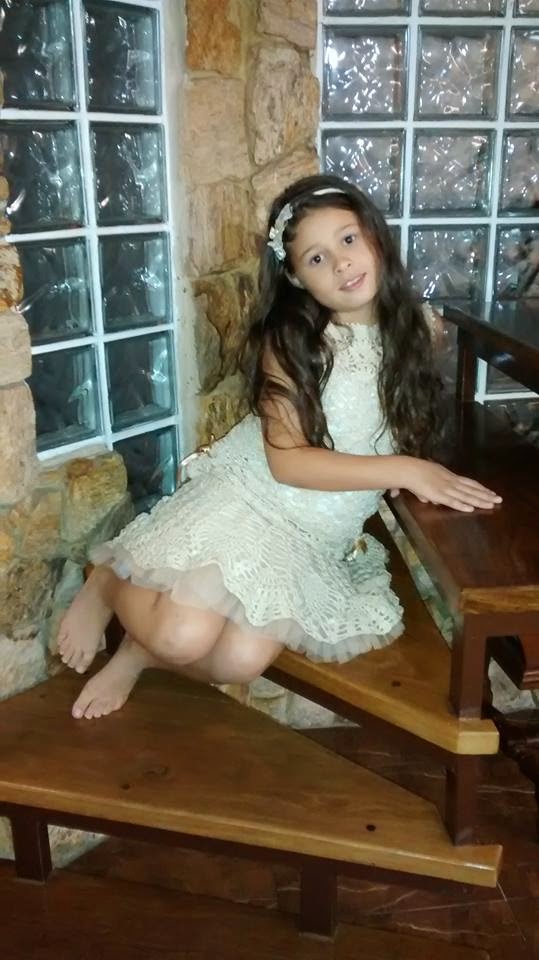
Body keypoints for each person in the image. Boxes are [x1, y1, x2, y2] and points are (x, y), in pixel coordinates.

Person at [57, 174, 501, 720]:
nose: (340, 263)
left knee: (239, 662)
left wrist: (416, 464)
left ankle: (137, 652)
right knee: (181, 634)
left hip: (314, 536)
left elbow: (395, 418)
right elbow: (287, 462)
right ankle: (107, 583)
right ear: (295, 277)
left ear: (375, 236)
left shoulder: (420, 329)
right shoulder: (296, 344)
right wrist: (407, 469)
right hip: (252, 500)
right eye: (316, 258)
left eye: (348, 239)